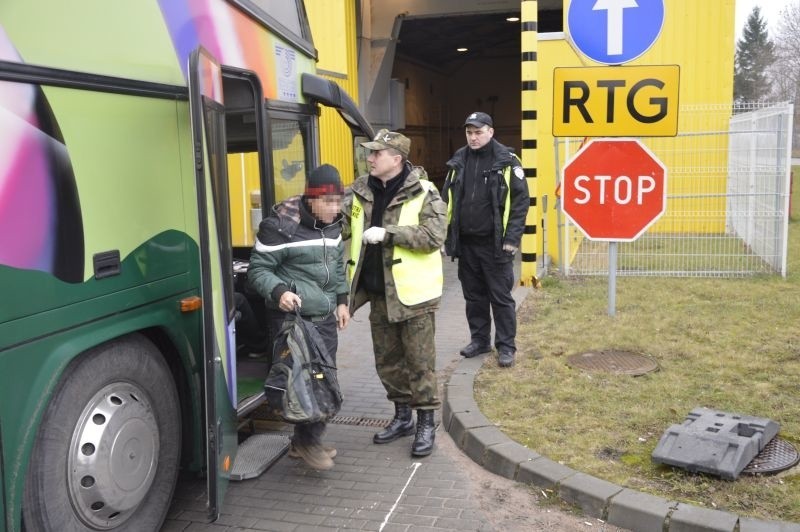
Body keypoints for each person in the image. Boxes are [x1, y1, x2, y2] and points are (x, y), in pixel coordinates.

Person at [342, 129, 447, 457]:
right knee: (387, 361)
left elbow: (434, 235)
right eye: (369, 153)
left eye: (376, 153)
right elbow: (340, 227)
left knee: (420, 362)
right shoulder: (359, 191)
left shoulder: (424, 191)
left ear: (396, 159)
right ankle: (402, 416)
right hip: (377, 294)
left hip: (413, 296)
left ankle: (426, 422)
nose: (369, 158)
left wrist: (390, 234)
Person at [247, 163, 350, 470]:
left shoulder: (332, 225)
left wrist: (343, 302)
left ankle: (302, 442)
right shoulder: (280, 226)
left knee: (324, 377)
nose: (335, 208)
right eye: (328, 202)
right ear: (311, 199)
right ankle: (308, 443)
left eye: (338, 201)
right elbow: (257, 270)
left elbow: (337, 266)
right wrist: (279, 292)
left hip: (325, 318)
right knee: (302, 381)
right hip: (294, 320)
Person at [442, 112, 529, 368]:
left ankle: (506, 346)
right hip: (467, 244)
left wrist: (512, 238)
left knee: (500, 297)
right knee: (474, 296)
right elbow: (447, 201)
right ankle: (479, 340)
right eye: (469, 132)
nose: (473, 137)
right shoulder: (459, 161)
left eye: (478, 132)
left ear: (491, 132)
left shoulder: (507, 161)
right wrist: (445, 237)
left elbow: (521, 202)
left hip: (496, 245)